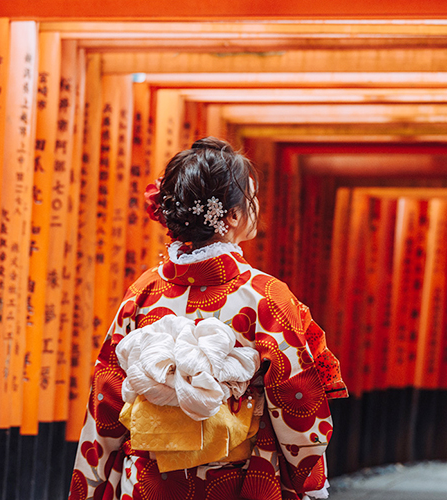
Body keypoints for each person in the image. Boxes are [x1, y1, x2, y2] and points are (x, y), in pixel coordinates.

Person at [69, 137, 348, 500]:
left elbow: (106, 396)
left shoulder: (143, 293)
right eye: (252, 197)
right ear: (231, 216)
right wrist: (308, 480)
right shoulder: (264, 296)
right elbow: (296, 397)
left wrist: (90, 484)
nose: (257, 206)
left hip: (147, 480)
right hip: (236, 481)